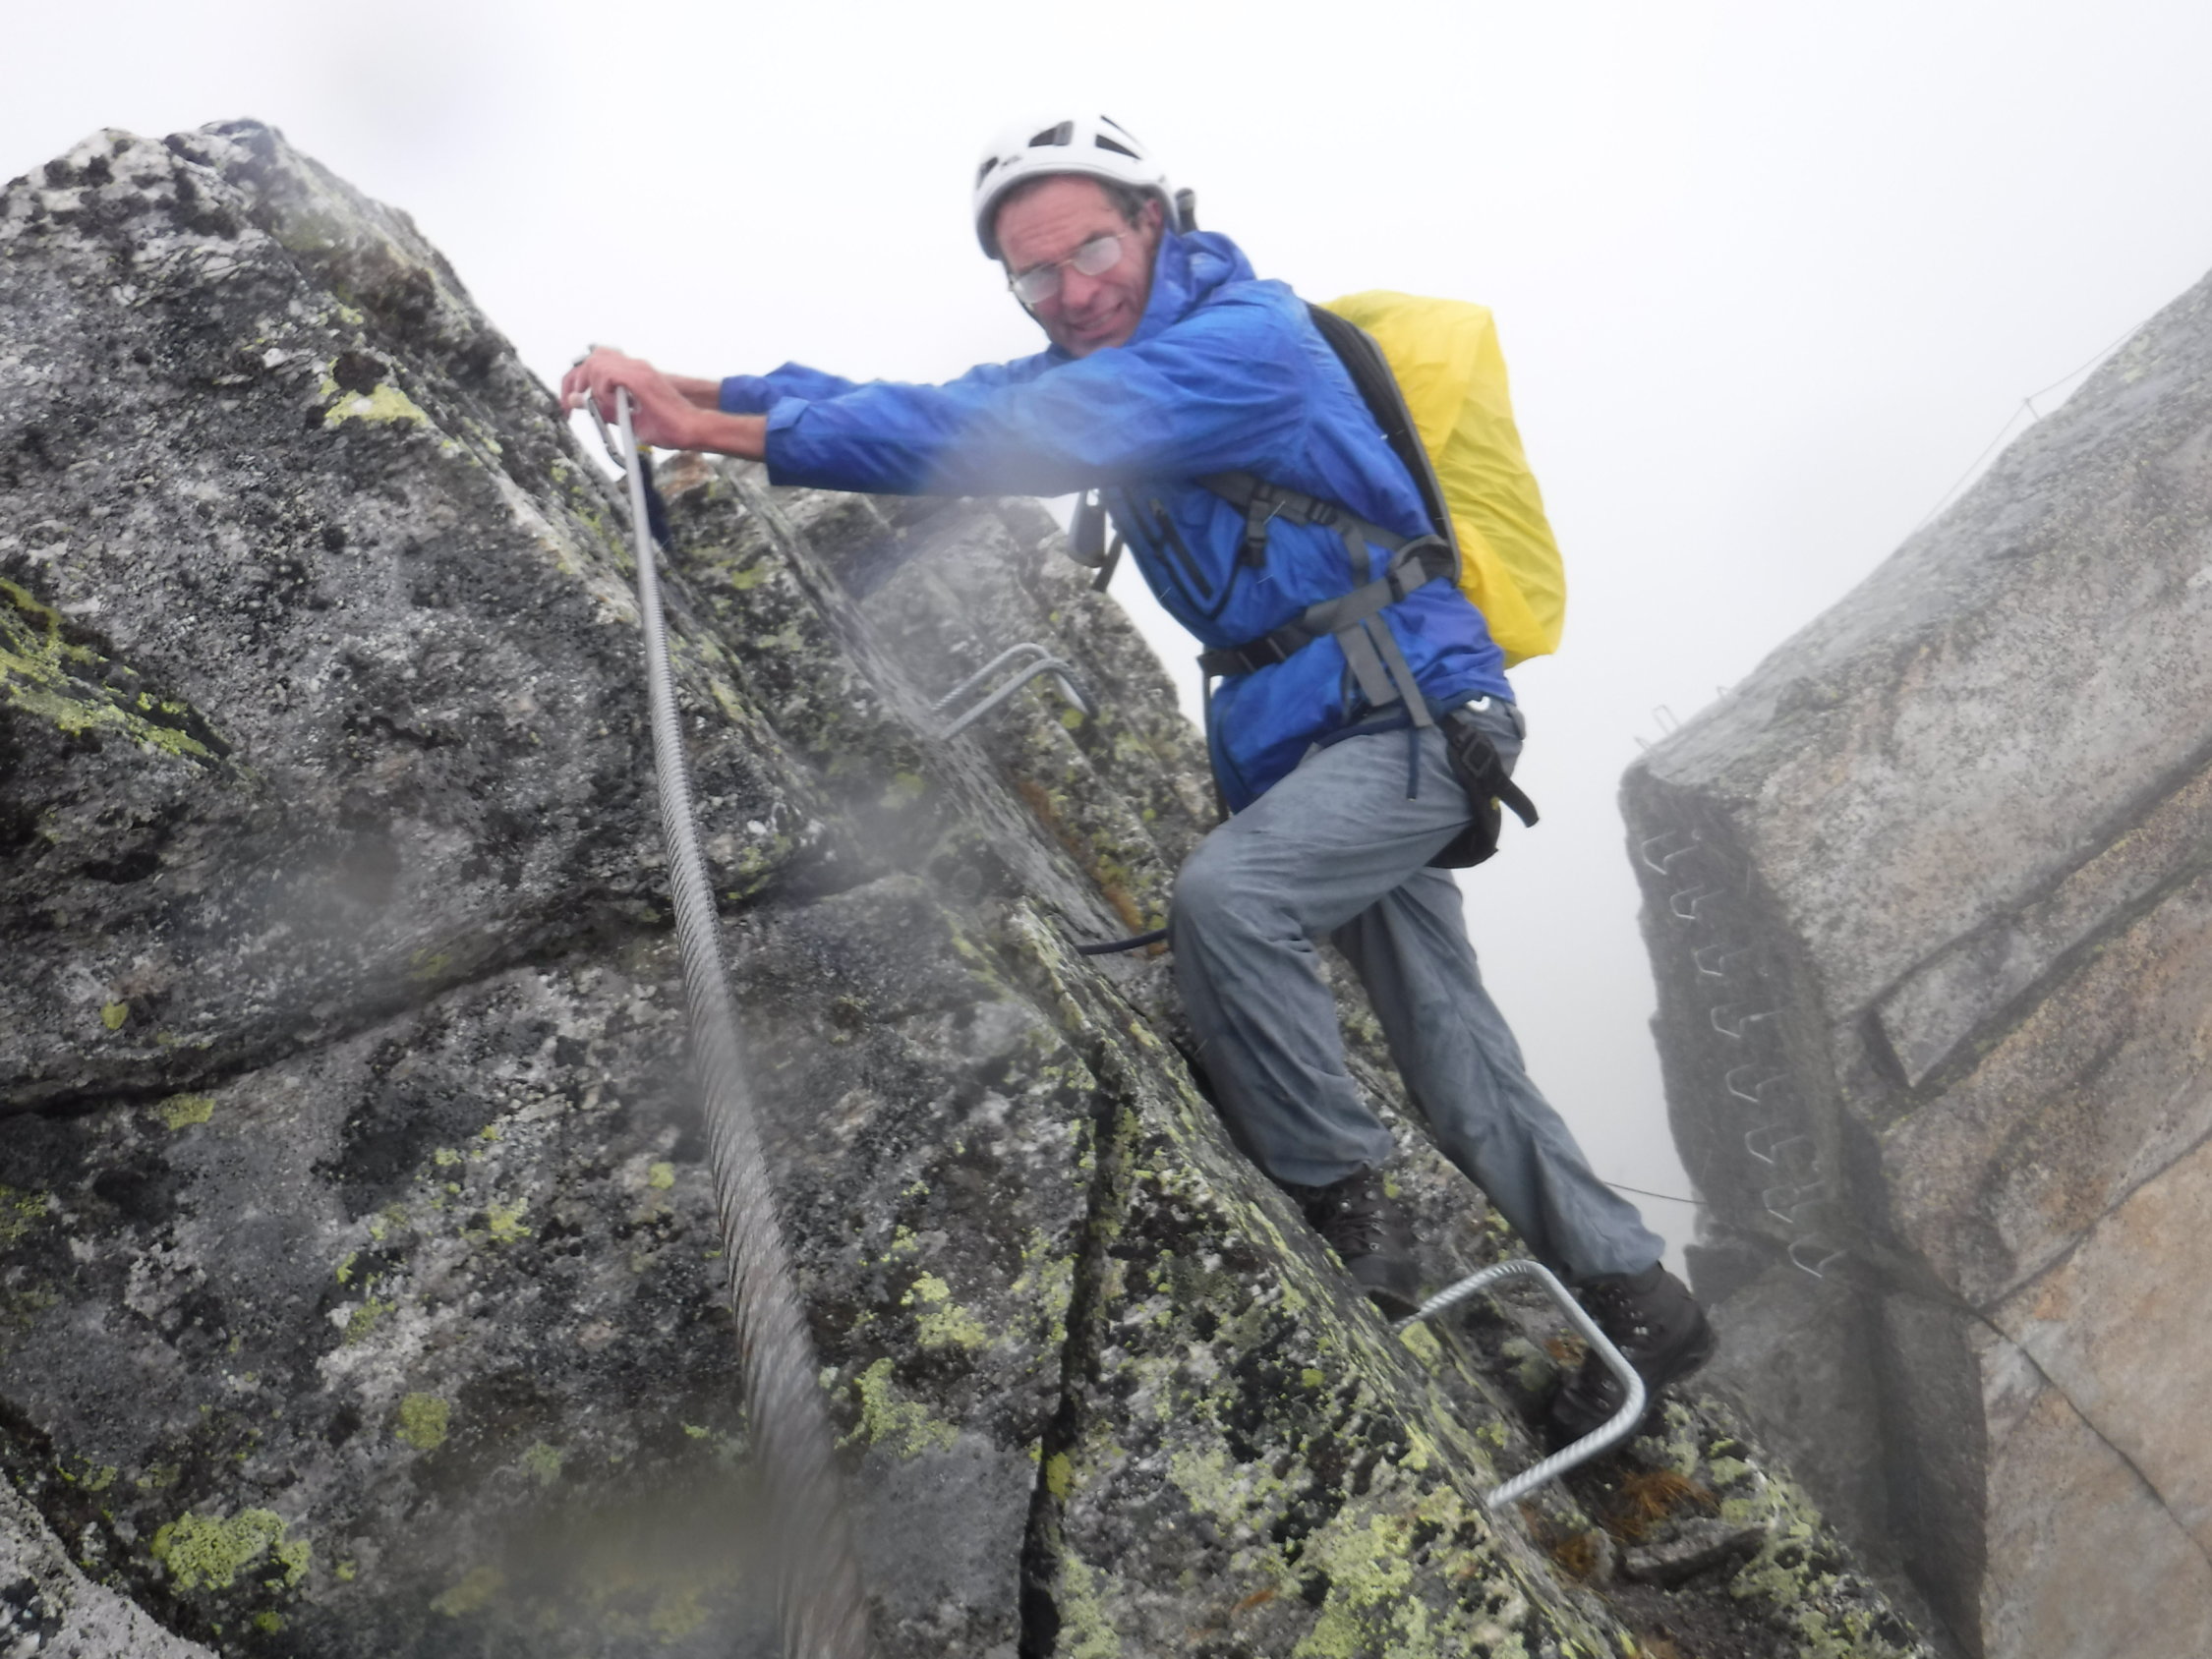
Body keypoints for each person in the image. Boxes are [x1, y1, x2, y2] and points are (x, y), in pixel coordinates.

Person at [560, 114, 1712, 1444]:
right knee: (1447, 1039)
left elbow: (996, 435)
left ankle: (1344, 1199)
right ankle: (1638, 1296)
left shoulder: (1246, 346)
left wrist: (711, 429)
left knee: (1232, 900)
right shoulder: (1110, 361)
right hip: (1312, 738)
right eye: (1035, 276)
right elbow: (935, 402)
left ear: (1154, 221)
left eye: (1092, 251)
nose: (1072, 291)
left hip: (1411, 720)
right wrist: (686, 386)